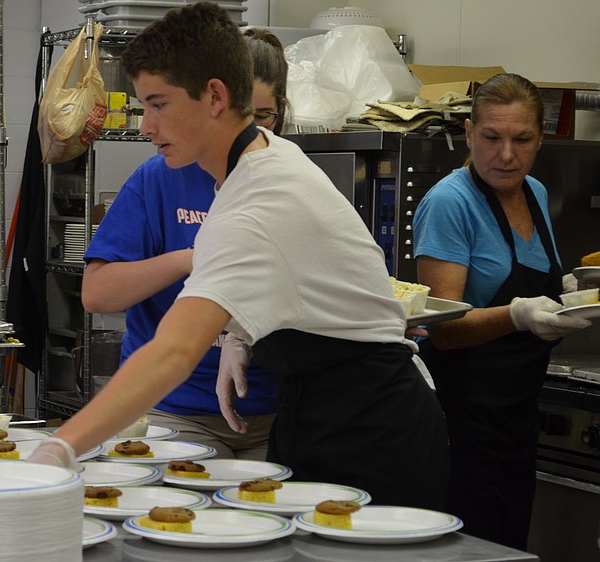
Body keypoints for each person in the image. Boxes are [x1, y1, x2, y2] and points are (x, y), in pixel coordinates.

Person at [30, 2, 448, 512]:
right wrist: (243, 334)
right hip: (322, 411)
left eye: (158, 105)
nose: (145, 127)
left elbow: (172, 353)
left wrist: (60, 447)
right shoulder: (267, 154)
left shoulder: (254, 200)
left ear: (214, 96)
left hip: (370, 429)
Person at [81, 28, 289, 460]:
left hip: (279, 411)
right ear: (211, 101)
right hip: (178, 411)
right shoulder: (159, 178)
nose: (244, 131)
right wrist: (192, 260)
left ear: (281, 112)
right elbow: (97, 293)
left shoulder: (288, 178)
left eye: (262, 116)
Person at [413, 73, 591, 550]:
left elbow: (535, 280)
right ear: (469, 134)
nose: (506, 154)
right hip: (460, 422)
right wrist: (518, 315)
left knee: (507, 546)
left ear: (541, 139)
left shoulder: (532, 191)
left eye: (522, 139)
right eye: (491, 138)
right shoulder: (450, 203)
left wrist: (569, 294)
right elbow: (442, 331)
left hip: (515, 414)